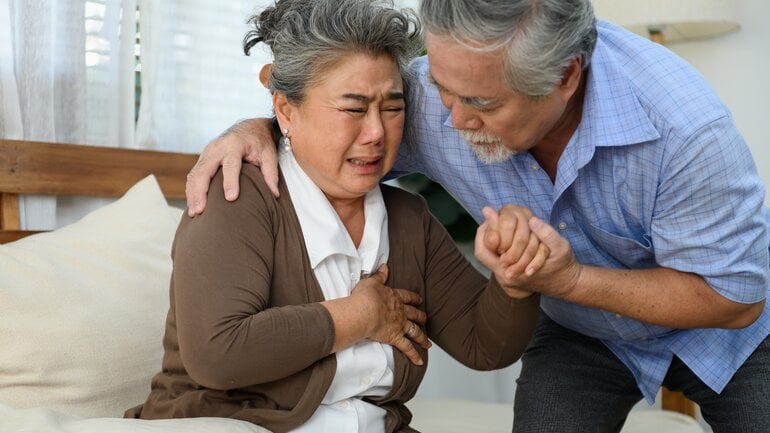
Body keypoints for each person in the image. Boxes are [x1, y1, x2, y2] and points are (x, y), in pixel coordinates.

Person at [186, 0, 770, 432]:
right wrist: (253, 128)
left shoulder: (686, 132)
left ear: (564, 78)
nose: (453, 121)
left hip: (724, 332)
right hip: (584, 335)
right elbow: (323, 118)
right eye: (440, 89)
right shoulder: (417, 96)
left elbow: (734, 297)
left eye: (483, 103)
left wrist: (561, 281)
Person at [126, 1, 545, 432]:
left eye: (392, 108)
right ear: (286, 111)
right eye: (353, 108)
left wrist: (513, 280)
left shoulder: (406, 218)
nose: (377, 133)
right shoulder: (237, 195)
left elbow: (484, 346)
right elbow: (218, 353)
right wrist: (359, 316)